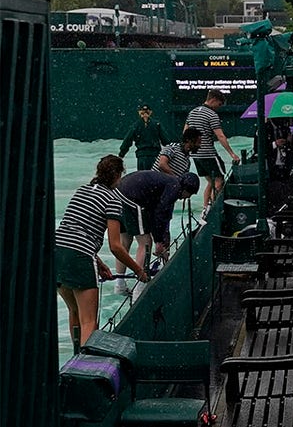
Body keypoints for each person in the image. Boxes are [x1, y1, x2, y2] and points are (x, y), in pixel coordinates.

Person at [55, 155, 149, 351]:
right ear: (116, 175)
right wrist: (138, 270)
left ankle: (74, 358)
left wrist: (98, 264)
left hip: (56, 252)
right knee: (89, 321)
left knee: (74, 310)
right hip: (80, 257)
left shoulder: (82, 190)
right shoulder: (113, 200)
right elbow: (116, 246)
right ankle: (84, 369)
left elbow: (74, 231)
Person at [116, 170, 200, 264]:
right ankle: (141, 276)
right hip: (131, 197)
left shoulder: (170, 182)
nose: (188, 198)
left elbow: (154, 213)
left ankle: (120, 278)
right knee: (145, 242)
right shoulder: (174, 189)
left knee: (126, 240)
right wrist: (159, 241)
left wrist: (159, 239)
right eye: (190, 194)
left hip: (119, 191)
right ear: (186, 189)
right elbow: (160, 215)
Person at [184, 89, 240, 209]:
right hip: (208, 154)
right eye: (219, 104)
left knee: (210, 181)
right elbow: (220, 136)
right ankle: (213, 209)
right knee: (219, 181)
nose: (219, 108)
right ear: (213, 100)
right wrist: (232, 154)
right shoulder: (212, 115)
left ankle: (205, 208)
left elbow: (185, 133)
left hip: (196, 155)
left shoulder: (192, 112)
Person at [118, 104, 168, 171]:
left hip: (142, 157)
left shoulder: (136, 126)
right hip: (155, 156)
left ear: (139, 112)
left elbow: (127, 141)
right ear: (150, 112)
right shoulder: (156, 124)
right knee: (154, 178)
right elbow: (166, 141)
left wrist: (121, 154)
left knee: (142, 178)